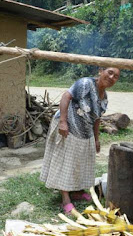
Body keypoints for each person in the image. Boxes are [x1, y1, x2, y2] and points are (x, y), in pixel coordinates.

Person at [40, 67, 120, 213]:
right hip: (68, 126)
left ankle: (77, 191)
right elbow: (66, 96)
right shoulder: (85, 84)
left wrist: (96, 139)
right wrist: (63, 122)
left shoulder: (104, 98)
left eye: (116, 76)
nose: (111, 77)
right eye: (110, 72)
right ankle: (65, 199)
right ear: (101, 71)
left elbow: (97, 118)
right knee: (68, 161)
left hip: (85, 131)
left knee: (84, 160)